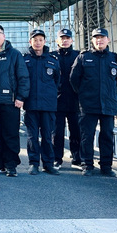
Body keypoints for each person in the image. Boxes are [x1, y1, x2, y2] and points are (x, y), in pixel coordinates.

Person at [70, 28, 117, 177]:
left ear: (108, 40)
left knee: (107, 136)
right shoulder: (83, 57)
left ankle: (106, 166)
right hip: (88, 104)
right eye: (96, 38)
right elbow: (74, 79)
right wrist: (84, 94)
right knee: (87, 136)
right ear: (92, 40)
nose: (99, 40)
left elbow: (116, 81)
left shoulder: (115, 59)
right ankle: (87, 165)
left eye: (102, 37)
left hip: (108, 104)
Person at [0, 23, 29, 177]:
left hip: (10, 101)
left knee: (10, 134)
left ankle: (11, 164)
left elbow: (23, 77)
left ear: (4, 36)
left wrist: (21, 97)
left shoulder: (14, 54)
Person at [23, 29, 60, 176]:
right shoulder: (25, 60)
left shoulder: (53, 60)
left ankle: (48, 164)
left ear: (44, 42)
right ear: (30, 42)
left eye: (40, 40)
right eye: (35, 40)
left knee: (47, 136)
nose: (38, 42)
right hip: (31, 104)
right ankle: (33, 163)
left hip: (48, 105)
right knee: (32, 136)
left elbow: (57, 81)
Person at [51, 28, 82, 169]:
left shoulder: (78, 56)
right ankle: (57, 159)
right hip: (57, 100)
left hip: (75, 99)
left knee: (76, 131)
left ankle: (77, 158)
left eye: (67, 38)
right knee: (57, 132)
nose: (65, 41)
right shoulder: (51, 56)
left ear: (71, 40)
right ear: (57, 40)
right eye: (62, 38)